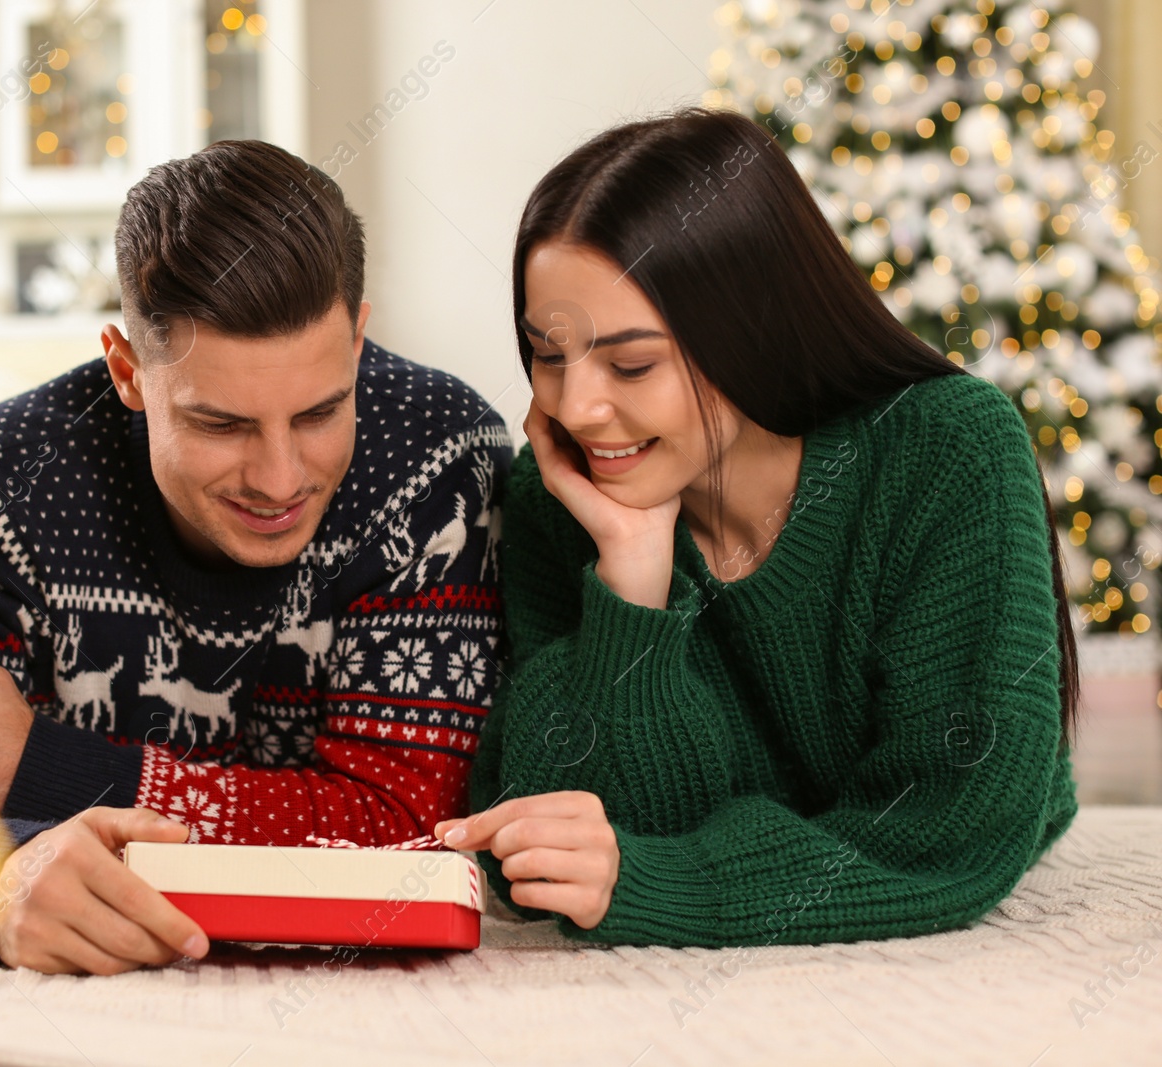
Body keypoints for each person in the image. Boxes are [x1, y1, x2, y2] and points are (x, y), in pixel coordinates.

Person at [0, 139, 512, 974]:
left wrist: (35, 765)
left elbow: (420, 836)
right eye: (221, 424)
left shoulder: (439, 458)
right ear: (128, 368)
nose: (280, 477)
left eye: (320, 413)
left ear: (358, 340)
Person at [433, 107, 1080, 946]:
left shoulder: (948, 450)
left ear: (754, 331)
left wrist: (663, 879)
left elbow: (947, 829)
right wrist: (632, 572)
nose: (576, 407)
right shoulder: (562, 497)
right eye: (547, 354)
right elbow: (546, 844)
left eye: (632, 363)